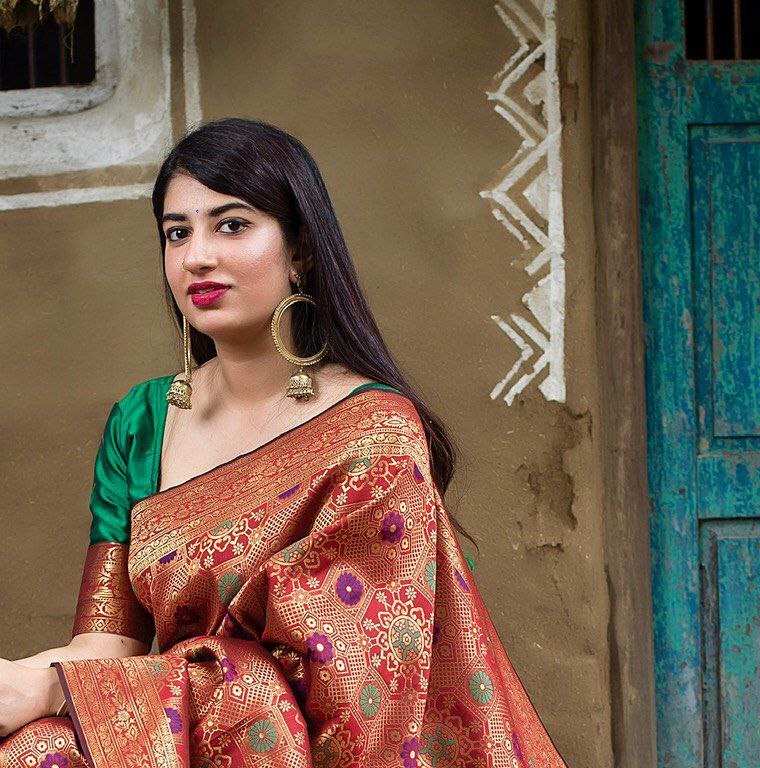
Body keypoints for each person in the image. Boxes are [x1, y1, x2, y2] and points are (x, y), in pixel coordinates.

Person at [0, 118, 569, 768]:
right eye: (176, 232)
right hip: (175, 738)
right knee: (33, 748)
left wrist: (55, 688)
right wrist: (23, 681)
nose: (197, 257)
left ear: (300, 249)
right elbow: (107, 649)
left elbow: (362, 690)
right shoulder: (141, 423)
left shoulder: (371, 434)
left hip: (313, 749)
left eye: (231, 224)